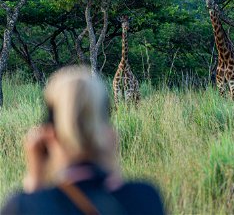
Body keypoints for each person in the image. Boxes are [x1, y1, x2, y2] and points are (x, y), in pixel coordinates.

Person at [1, 66, 164, 214]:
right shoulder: (146, 197)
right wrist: (111, 164)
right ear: (108, 133)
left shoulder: (20, 206)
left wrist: (35, 179)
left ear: (48, 134)